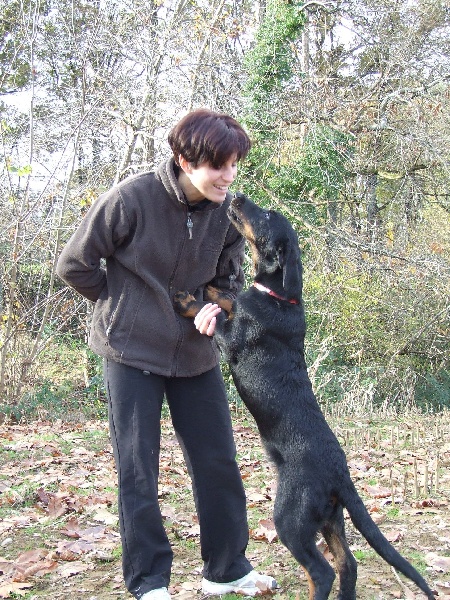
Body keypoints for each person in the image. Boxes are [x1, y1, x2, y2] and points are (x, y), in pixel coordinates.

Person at [56, 109, 277, 600]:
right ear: (184, 159)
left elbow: (229, 279)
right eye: (219, 165)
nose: (229, 176)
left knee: (217, 460)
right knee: (139, 467)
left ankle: (226, 572)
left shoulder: (227, 213)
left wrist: (213, 309)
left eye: (235, 163)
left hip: (195, 355)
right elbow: (75, 264)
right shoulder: (131, 198)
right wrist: (125, 307)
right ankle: (149, 583)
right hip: (130, 352)